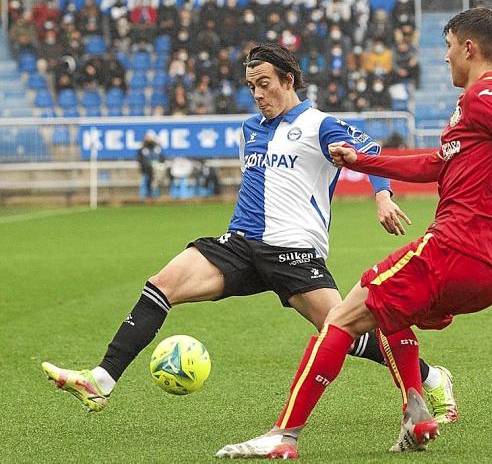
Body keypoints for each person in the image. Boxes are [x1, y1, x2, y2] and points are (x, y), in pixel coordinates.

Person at [215, 8, 492, 460]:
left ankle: (285, 435)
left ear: (469, 48)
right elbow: (434, 165)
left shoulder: (486, 97)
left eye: (449, 47)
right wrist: (362, 162)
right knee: (390, 311)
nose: (446, 57)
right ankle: (417, 410)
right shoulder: (480, 104)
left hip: (454, 250)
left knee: (340, 318)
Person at [41, 44, 457, 424]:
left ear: (287, 81)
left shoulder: (320, 125)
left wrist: (382, 197)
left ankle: (431, 378)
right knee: (161, 284)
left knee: (346, 334)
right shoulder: (251, 128)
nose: (257, 94)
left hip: (294, 252)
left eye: (264, 84)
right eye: (251, 86)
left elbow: (371, 152)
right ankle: (101, 380)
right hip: (239, 246)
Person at [137, 133, 165, 198]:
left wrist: (158, 163)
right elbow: (140, 159)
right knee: (150, 174)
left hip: (157, 167)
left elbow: (162, 158)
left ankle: (156, 190)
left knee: (160, 171)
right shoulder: (142, 148)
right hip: (146, 168)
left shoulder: (156, 147)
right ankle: (149, 192)